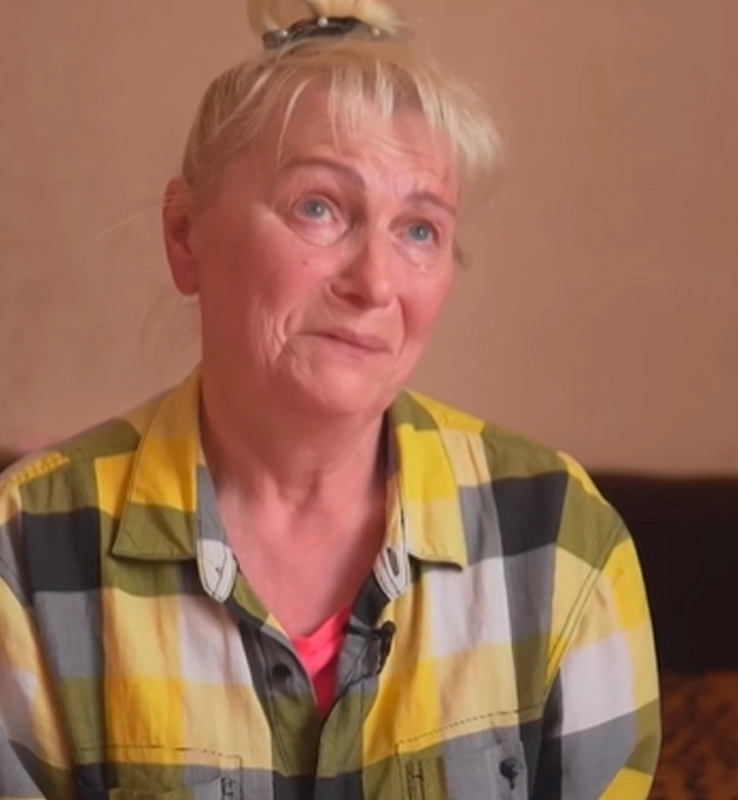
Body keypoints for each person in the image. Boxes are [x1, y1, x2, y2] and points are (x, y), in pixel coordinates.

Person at [0, 1, 660, 797]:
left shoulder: (561, 543)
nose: (375, 283)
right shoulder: (24, 554)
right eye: (318, 207)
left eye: (420, 229)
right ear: (184, 236)